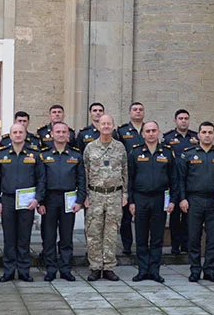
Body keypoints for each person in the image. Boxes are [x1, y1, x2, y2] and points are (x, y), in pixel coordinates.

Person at [176, 121, 214, 282]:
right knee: (193, 237)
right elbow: (181, 179)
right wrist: (182, 199)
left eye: (210, 132)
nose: (207, 135)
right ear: (199, 135)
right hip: (194, 200)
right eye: (204, 132)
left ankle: (209, 270)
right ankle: (195, 270)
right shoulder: (188, 154)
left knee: (213, 238)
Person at [0, 123, 46, 282]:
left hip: (27, 201)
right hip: (8, 199)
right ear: (10, 135)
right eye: (14, 132)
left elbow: (41, 179)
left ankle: (24, 271)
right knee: (9, 238)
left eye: (20, 132)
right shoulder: (1, 155)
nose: (17, 135)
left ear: (25, 135)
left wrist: (37, 199)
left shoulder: (34, 154)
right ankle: (8, 271)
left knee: (24, 238)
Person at [127, 121, 176, 283]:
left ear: (158, 132)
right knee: (141, 237)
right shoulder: (135, 152)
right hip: (140, 198)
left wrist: (173, 200)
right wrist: (131, 201)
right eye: (147, 131)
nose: (151, 133)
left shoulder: (167, 152)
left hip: (160, 198)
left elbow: (174, 179)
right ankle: (142, 270)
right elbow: (130, 179)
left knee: (157, 237)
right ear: (143, 134)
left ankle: (154, 270)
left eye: (154, 130)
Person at [39, 121, 86, 282]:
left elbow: (82, 180)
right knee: (49, 236)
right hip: (50, 200)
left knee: (66, 236)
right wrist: (40, 202)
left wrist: (80, 201)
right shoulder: (44, 155)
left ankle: (65, 268)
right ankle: (50, 269)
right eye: (57, 131)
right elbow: (41, 181)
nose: (60, 134)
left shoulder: (76, 155)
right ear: (51, 134)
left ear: (68, 135)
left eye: (63, 132)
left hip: (69, 199)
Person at [84, 114, 128, 281]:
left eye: (109, 123)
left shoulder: (120, 148)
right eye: (103, 124)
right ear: (98, 127)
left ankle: (109, 267)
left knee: (111, 232)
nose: (106, 126)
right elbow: (85, 172)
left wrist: (125, 194)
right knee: (94, 232)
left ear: (113, 126)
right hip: (95, 195)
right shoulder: (90, 148)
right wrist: (85, 196)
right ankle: (95, 267)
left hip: (115, 195)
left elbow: (125, 171)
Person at [163, 109, 198, 255]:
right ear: (175, 120)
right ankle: (175, 245)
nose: (183, 120)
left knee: (188, 215)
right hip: (174, 180)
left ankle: (186, 244)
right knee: (175, 215)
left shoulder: (196, 137)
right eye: (180, 118)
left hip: (190, 181)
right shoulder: (168, 138)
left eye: (186, 118)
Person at [113, 102, 145, 255]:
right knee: (126, 214)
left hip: (143, 174)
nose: (138, 112)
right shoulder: (121, 131)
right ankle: (127, 245)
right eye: (135, 110)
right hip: (125, 175)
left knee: (141, 213)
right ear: (129, 113)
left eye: (140, 110)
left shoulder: (148, 129)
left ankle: (143, 244)